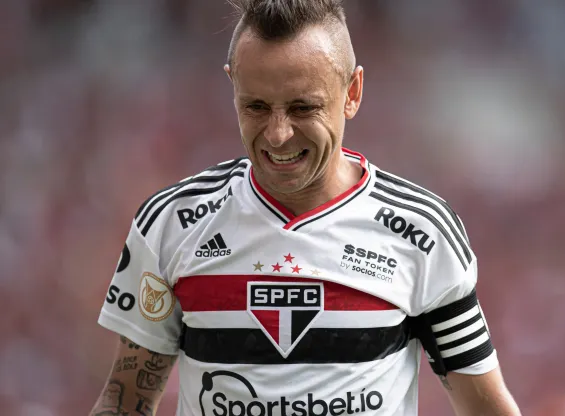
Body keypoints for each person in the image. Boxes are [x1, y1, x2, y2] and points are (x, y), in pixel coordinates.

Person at [89, 0, 521, 415]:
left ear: (352, 92)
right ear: (232, 86)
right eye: (256, 106)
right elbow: (125, 400)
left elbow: (485, 408)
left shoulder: (422, 232)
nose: (278, 134)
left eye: (303, 107)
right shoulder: (171, 225)